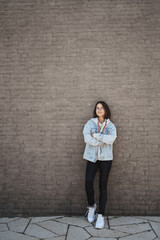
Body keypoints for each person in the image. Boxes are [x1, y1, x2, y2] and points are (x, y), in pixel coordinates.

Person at [82, 101, 117, 229]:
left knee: (103, 186)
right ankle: (92, 206)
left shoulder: (111, 126)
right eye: (97, 108)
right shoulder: (90, 123)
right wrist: (102, 140)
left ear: (106, 110)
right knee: (88, 182)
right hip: (92, 158)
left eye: (102, 108)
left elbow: (111, 139)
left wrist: (96, 136)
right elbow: (87, 139)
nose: (99, 109)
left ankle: (101, 215)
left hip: (106, 159)